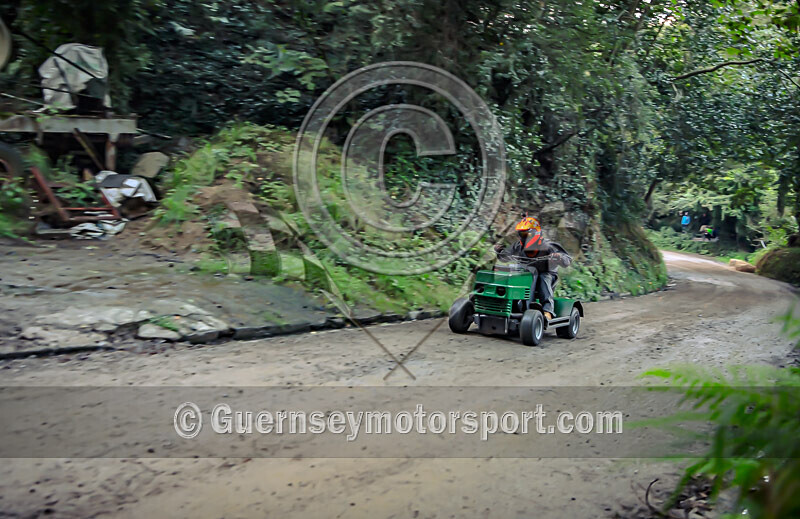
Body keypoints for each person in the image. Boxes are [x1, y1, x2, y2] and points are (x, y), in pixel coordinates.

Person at [494, 214, 572, 321]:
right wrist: (500, 251)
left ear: (535, 233)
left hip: (546, 273)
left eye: (526, 234)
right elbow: (505, 257)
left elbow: (567, 260)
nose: (523, 237)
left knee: (543, 278)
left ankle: (547, 311)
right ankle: (503, 303)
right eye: (521, 234)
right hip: (525, 273)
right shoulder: (518, 246)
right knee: (509, 274)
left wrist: (559, 257)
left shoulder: (548, 246)